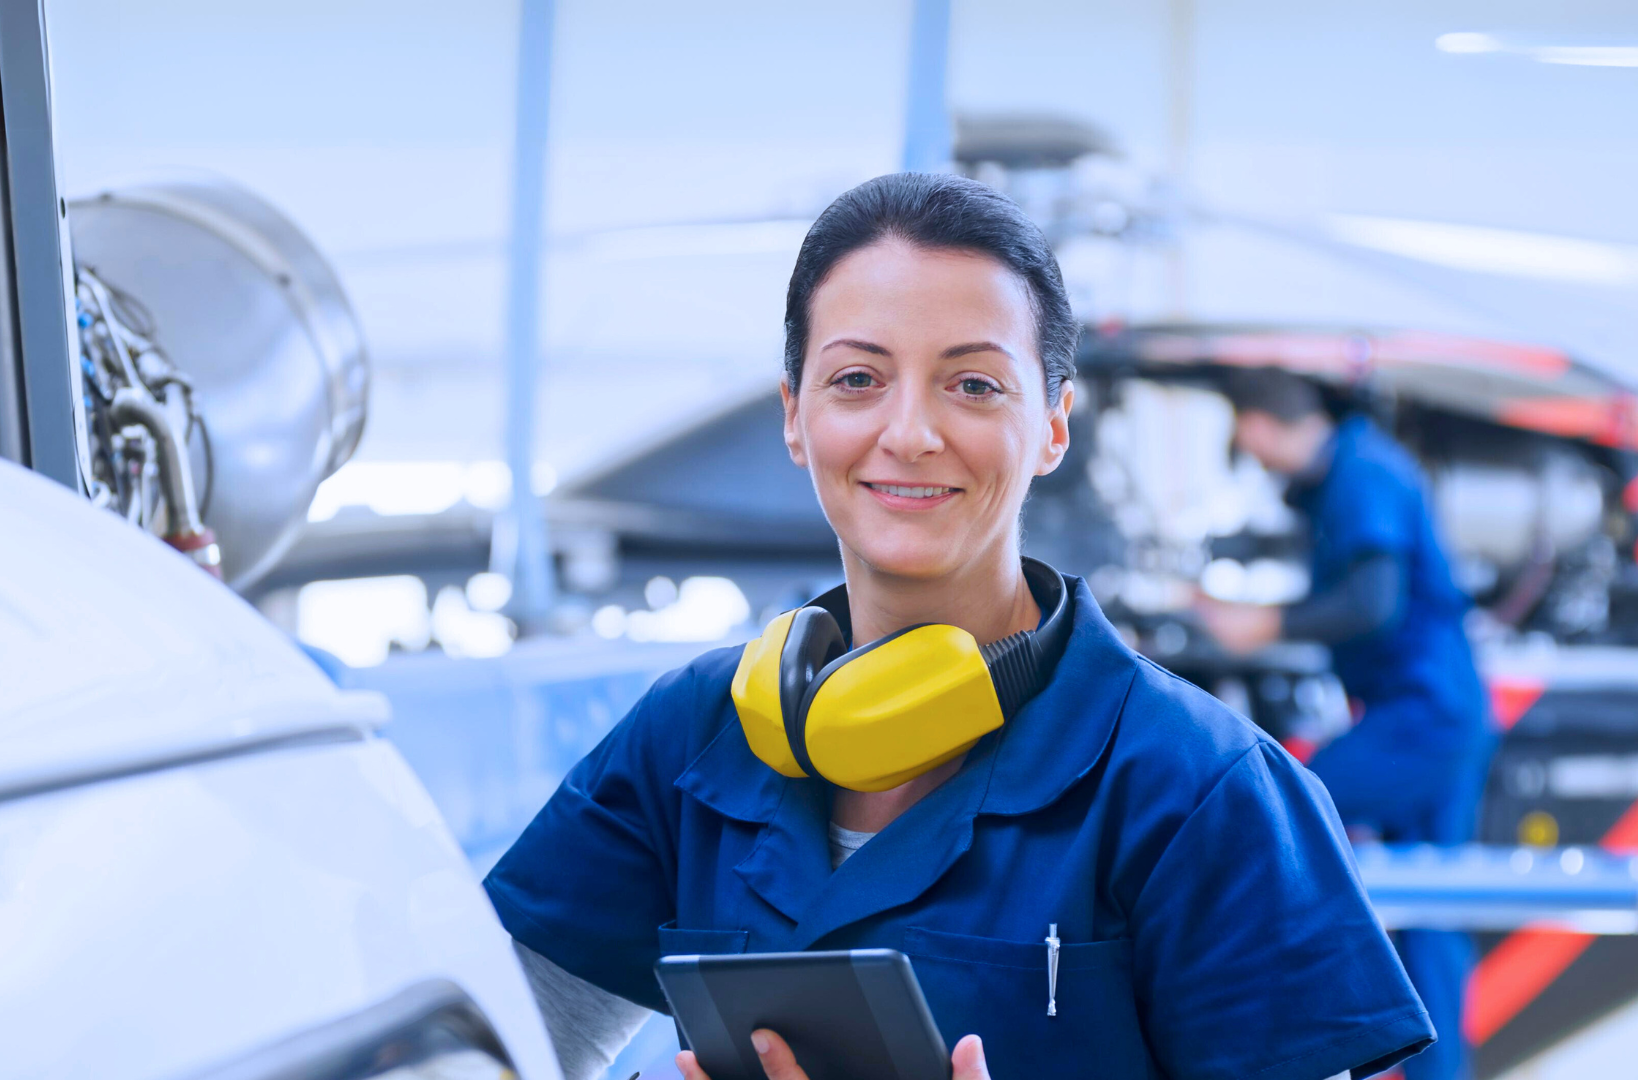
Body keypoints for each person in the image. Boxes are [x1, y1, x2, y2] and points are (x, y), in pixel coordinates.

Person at [487, 174, 1433, 1080]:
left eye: (974, 386)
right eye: (857, 378)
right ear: (794, 416)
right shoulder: (690, 737)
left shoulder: (1201, 789)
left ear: (1055, 423)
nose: (909, 433)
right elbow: (492, 1044)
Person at [1198, 368, 1497, 1080]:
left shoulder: (1364, 474)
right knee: (1428, 912)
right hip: (1430, 710)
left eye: (1253, 447)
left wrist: (1260, 623)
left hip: (1425, 715)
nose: (1260, 464)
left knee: (1290, 812)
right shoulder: (1347, 476)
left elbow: (1372, 602)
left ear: (1260, 427)